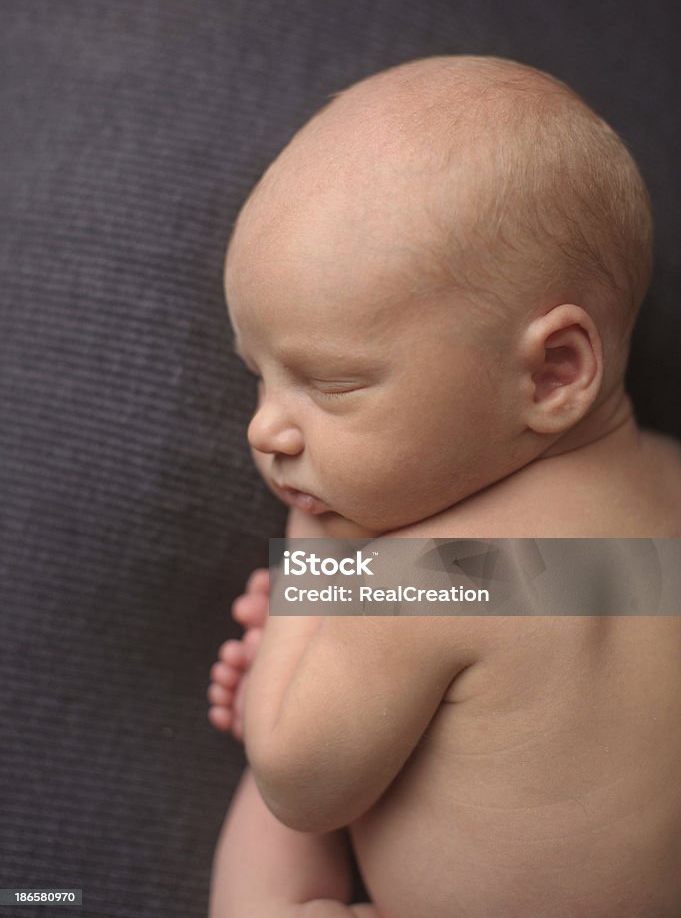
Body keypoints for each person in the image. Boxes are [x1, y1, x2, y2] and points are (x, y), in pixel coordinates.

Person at [206, 55, 681, 917]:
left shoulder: (435, 570)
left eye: (332, 385)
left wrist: (316, 572)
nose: (264, 430)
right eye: (259, 378)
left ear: (551, 373)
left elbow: (298, 785)